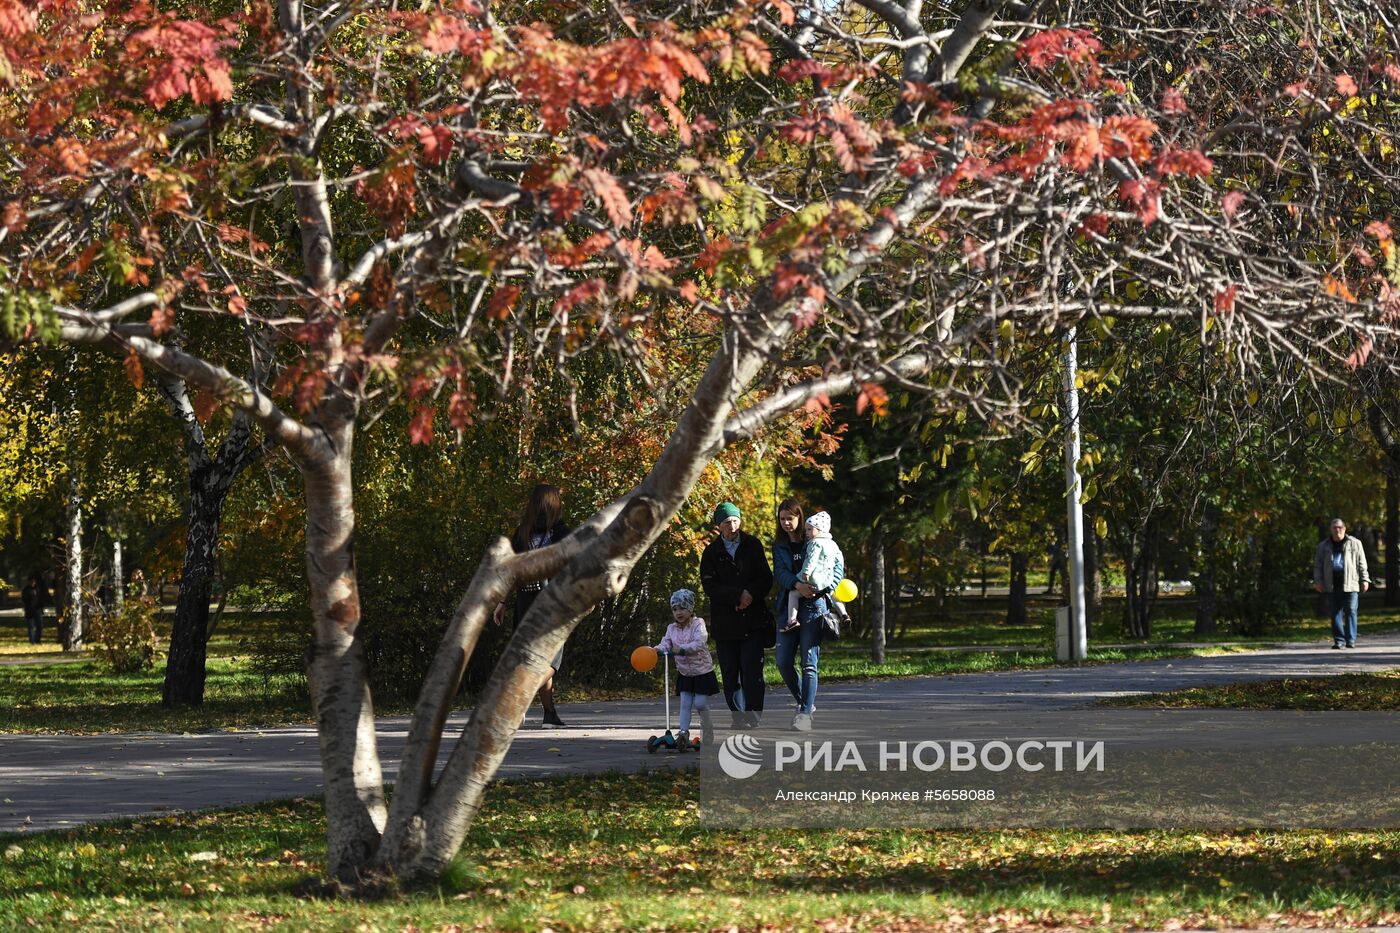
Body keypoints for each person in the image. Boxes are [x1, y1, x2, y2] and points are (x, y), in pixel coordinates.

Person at [494, 483, 571, 726]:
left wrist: (503, 601)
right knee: (551, 661)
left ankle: (549, 713)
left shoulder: (522, 533)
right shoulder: (560, 532)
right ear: (553, 504)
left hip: (526, 602)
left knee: (533, 659)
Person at [699, 501, 773, 728]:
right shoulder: (712, 552)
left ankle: (753, 715)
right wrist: (737, 596)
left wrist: (749, 594)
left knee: (752, 672)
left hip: (752, 621)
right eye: (727, 522)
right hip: (726, 623)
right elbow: (710, 586)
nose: (732, 526)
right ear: (719, 526)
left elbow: (765, 578)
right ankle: (737, 715)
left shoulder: (753, 545)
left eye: (735, 520)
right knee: (730, 673)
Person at [778, 512, 843, 731]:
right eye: (782, 518)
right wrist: (799, 587)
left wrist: (820, 590)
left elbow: (838, 571)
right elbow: (780, 573)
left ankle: (805, 713)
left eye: (790, 518)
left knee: (809, 664)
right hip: (791, 605)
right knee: (783, 661)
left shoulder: (822, 543)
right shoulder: (780, 545)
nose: (787, 522)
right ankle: (804, 702)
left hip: (816, 607)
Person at [652, 589, 719, 748]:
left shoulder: (698, 624)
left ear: (690, 609)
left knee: (701, 703)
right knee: (685, 703)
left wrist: (682, 649)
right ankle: (683, 733)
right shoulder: (671, 628)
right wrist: (657, 649)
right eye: (675, 609)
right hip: (685, 673)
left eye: (682, 608)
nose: (678, 612)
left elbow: (699, 642)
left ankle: (708, 727)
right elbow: (666, 643)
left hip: (702, 671)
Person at [1314, 517, 1370, 649]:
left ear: (1344, 529)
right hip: (1332, 583)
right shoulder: (1324, 546)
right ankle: (1339, 640)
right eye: (1334, 528)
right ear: (1331, 530)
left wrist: (1365, 580)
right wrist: (1318, 581)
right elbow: (1318, 565)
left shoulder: (1355, 543)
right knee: (1335, 613)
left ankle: (1350, 640)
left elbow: (1362, 563)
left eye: (1340, 527)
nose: (1337, 530)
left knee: (1351, 610)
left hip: (1351, 583)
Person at [21, 573, 48, 645]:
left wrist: (41, 607)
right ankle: (32, 641)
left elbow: (41, 599)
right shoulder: (26, 590)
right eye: (31, 581)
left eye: (34, 581)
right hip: (29, 611)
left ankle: (37, 640)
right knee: (31, 627)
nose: (33, 583)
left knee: (39, 626)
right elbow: (24, 599)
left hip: (37, 610)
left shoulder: (38, 589)